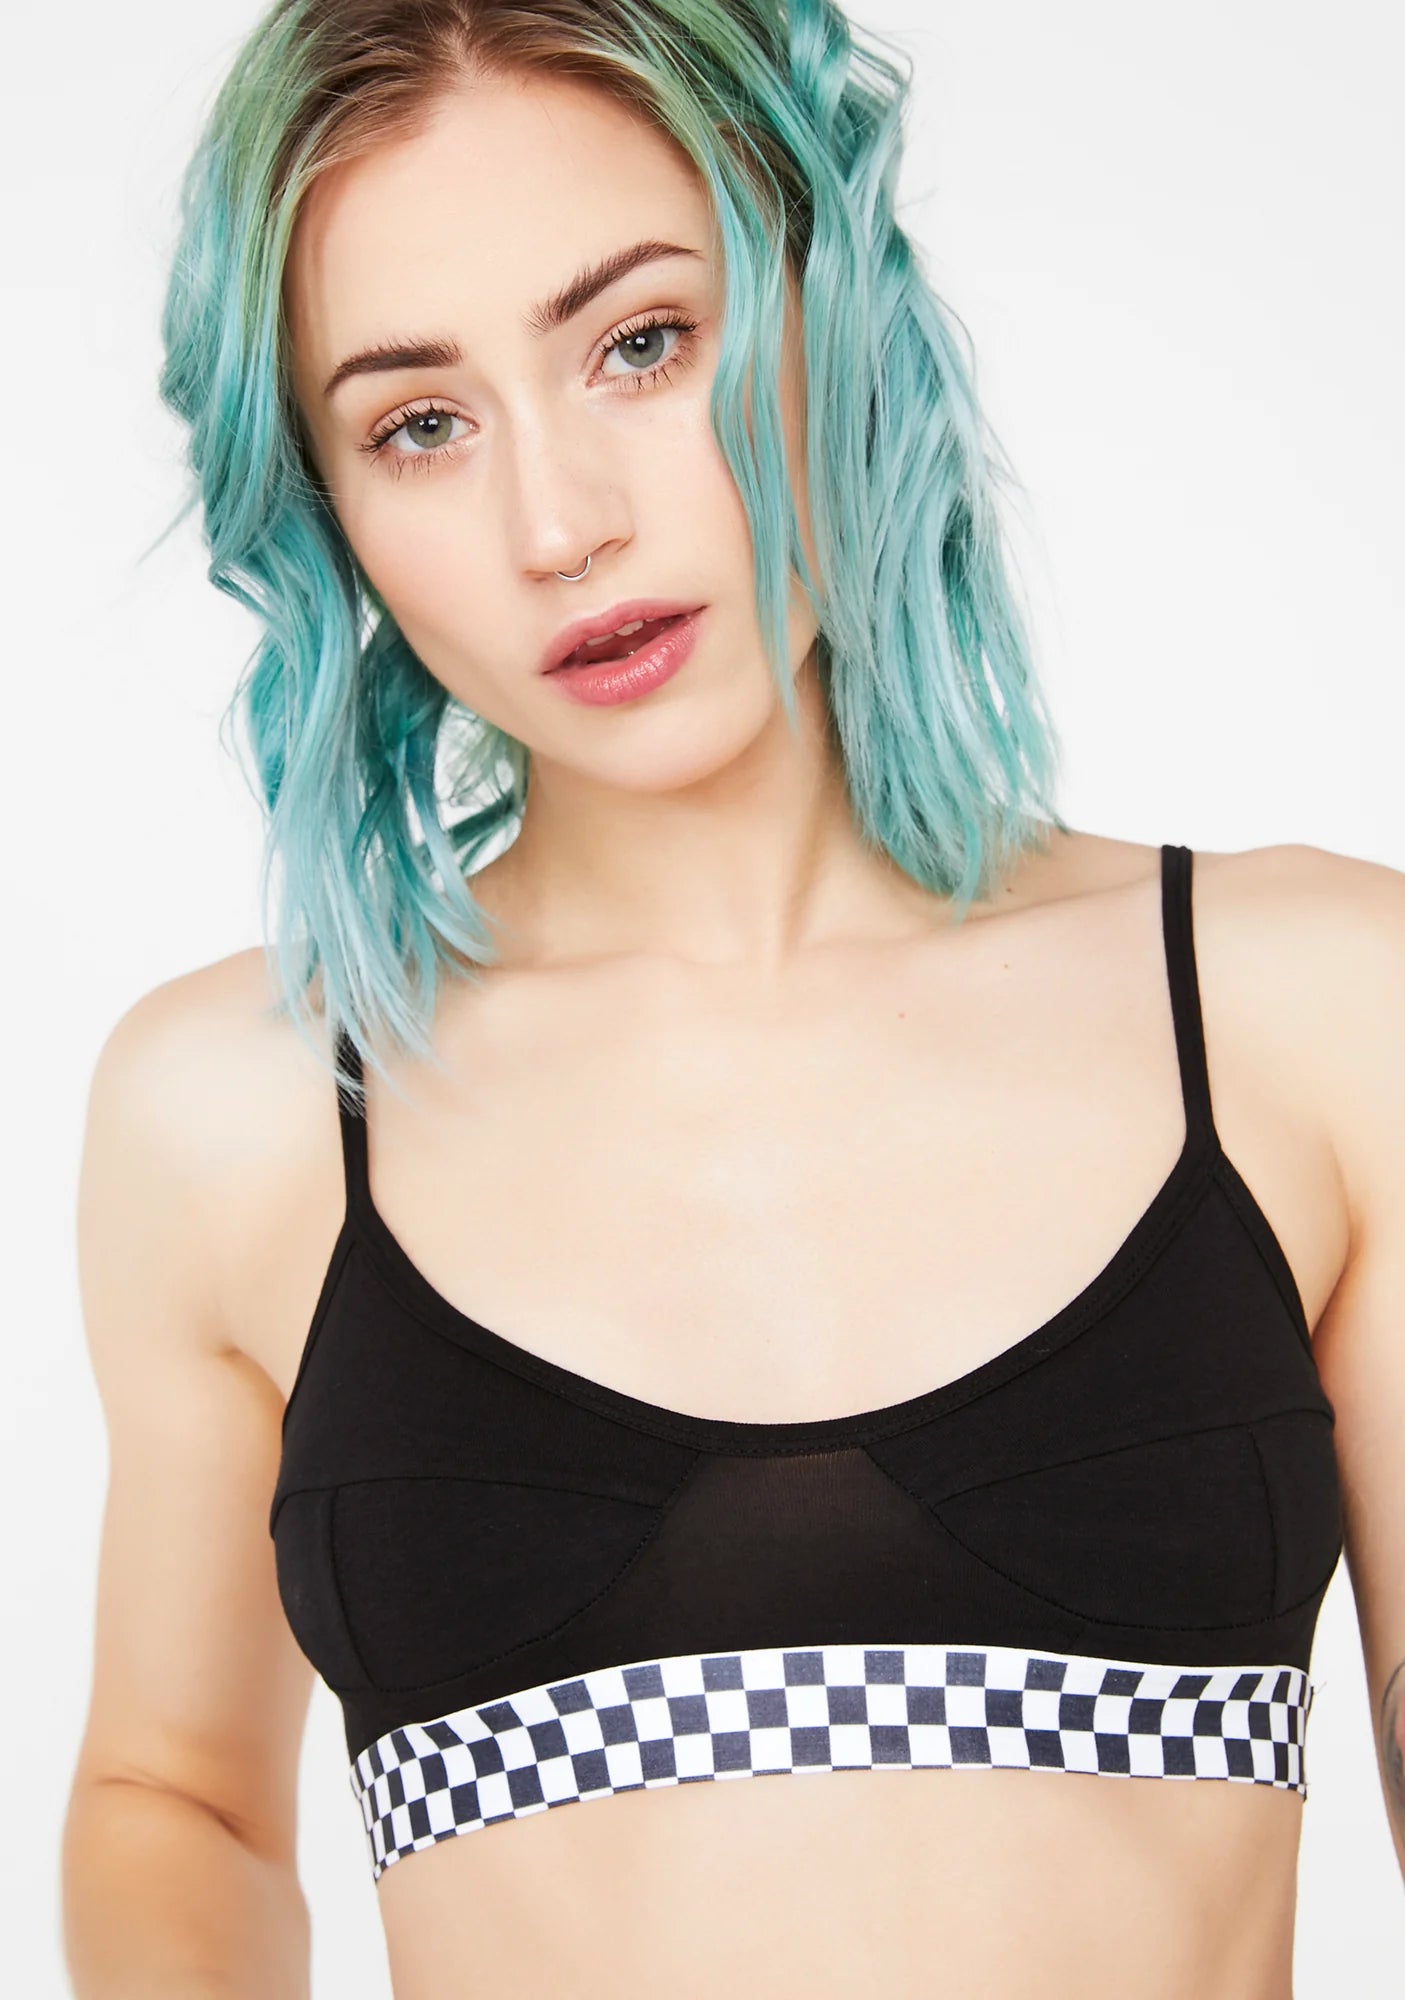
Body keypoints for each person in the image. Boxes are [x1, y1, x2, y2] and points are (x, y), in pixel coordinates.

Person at [60, 2, 1404, 1996]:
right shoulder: (244, 1108)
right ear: (326, 506)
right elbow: (178, 1796)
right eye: (419, 423)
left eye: (639, 342)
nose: (559, 524)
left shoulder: (1313, 1009)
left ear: (824, 303)